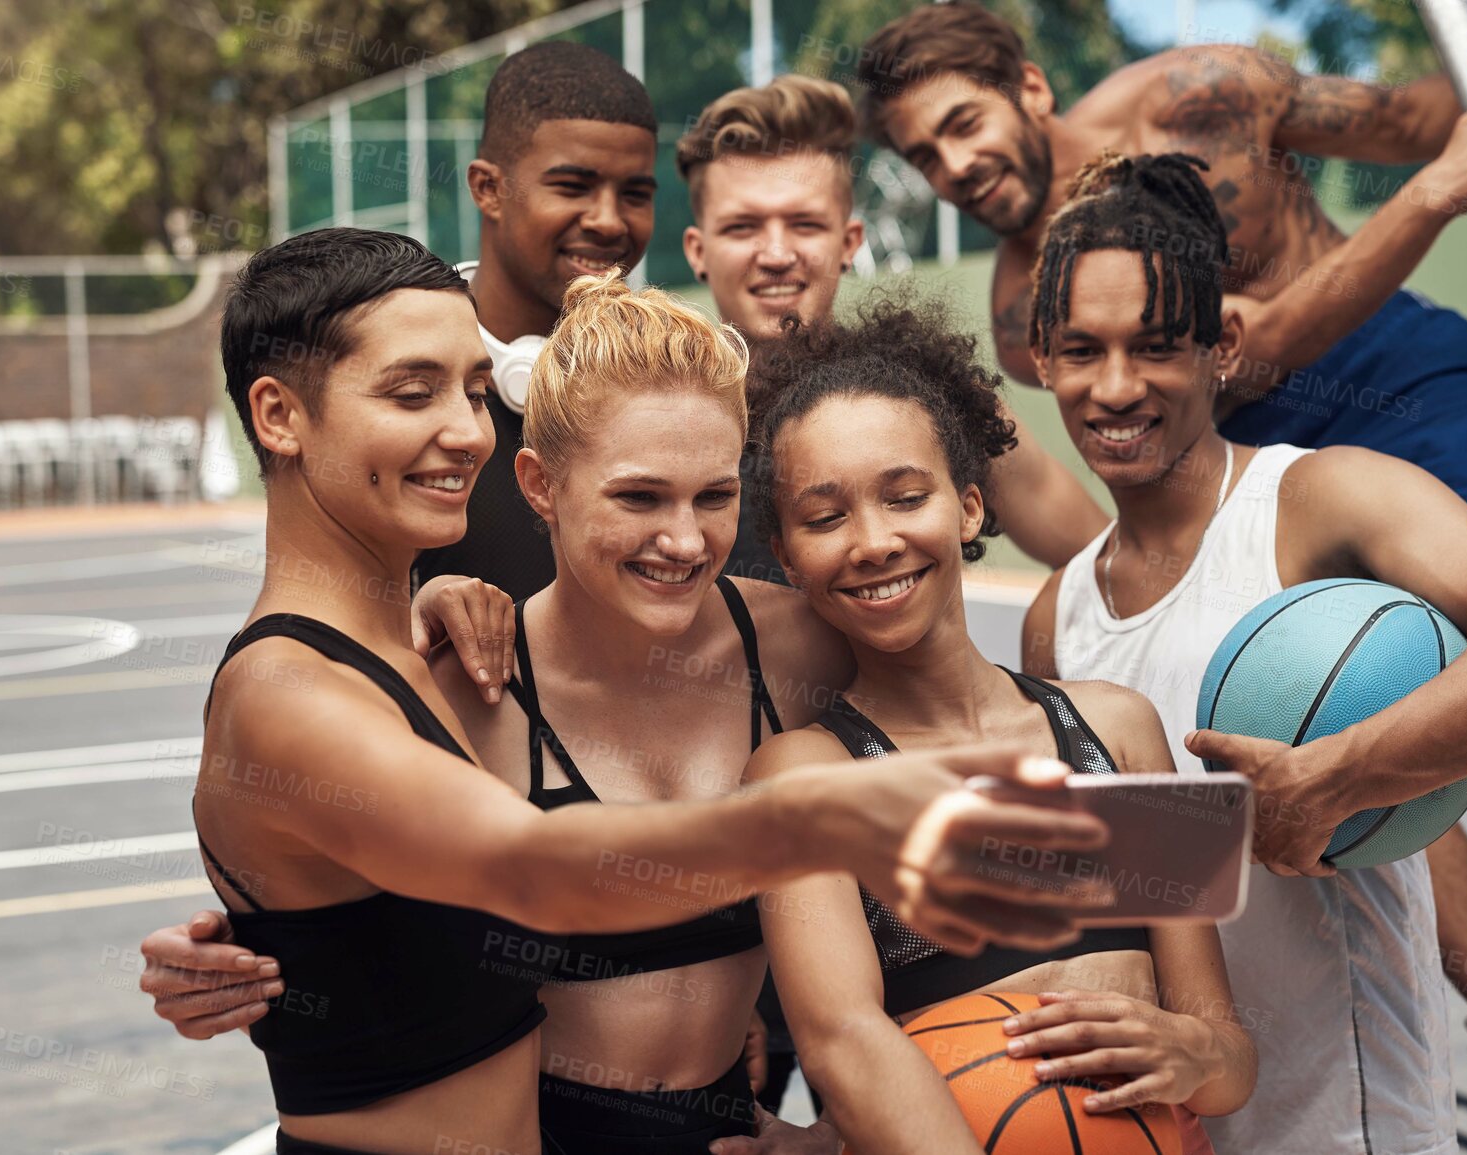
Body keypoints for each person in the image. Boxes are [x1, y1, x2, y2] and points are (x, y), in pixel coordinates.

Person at [160, 230, 1121, 1155]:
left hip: (716, 1125)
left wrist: (868, 1120)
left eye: (713, 496)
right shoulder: (459, 680)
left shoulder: (784, 650)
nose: (684, 538)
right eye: (637, 497)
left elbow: (1000, 751)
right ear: (541, 486)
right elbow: (501, 867)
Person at [858, 0, 1467, 1119]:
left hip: (1381, 362)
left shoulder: (1199, 99)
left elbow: (1434, 118)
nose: (951, 165)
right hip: (1211, 435)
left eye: (961, 124)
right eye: (919, 154)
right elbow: (1222, 368)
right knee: (1318, 710)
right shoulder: (1017, 316)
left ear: (1031, 90)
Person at [1017, 153, 1467, 1155]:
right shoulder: (1058, 619)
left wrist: (1332, 778)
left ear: (1224, 345)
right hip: (1172, 1124)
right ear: (1041, 358)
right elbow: (1126, 899)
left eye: (1155, 347)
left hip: (1356, 1120)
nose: (1116, 386)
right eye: (1082, 351)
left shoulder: (1321, 497)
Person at [715, 292, 1255, 1155]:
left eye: (905, 496)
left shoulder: (1119, 732)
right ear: (784, 555)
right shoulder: (801, 776)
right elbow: (841, 1042)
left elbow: (1228, 1058)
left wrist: (1191, 1050)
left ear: (968, 508)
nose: (873, 541)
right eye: (824, 517)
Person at [675, 73, 1109, 580]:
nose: (775, 254)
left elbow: (1102, 561)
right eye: (742, 227)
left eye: (806, 224)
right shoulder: (658, 411)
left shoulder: (930, 388)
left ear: (850, 241)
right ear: (697, 252)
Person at [413, 39, 659, 604]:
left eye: (635, 194)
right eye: (572, 187)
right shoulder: (396, 378)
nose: (607, 220)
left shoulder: (664, 381)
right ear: (488, 188)